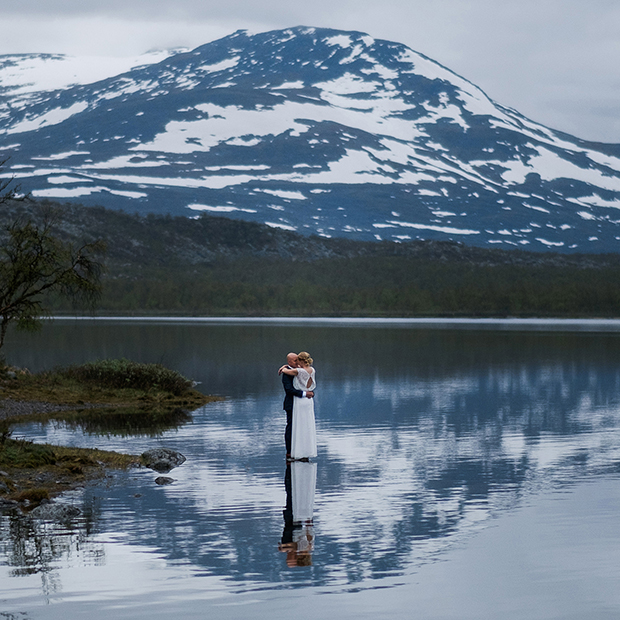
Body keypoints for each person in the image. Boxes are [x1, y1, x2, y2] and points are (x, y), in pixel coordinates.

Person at [280, 351, 317, 461]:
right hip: (292, 404)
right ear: (290, 361)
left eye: (299, 360)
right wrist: (306, 393)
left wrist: (283, 368)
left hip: (301, 403)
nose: (298, 362)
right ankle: (290, 451)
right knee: (292, 428)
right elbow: (289, 390)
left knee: (302, 428)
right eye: (295, 360)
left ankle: (301, 451)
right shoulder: (293, 372)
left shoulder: (297, 371)